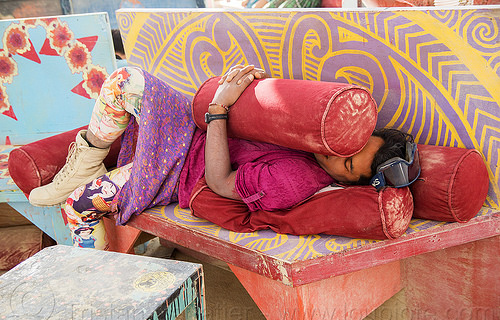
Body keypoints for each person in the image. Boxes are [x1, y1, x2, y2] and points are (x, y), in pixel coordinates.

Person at [29, 65, 416, 250]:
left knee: (79, 205)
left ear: (346, 183)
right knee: (124, 81)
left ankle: (102, 281)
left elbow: (219, 183)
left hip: (176, 169)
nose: (338, 150)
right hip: (189, 129)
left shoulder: (296, 180)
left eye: (347, 163)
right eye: (352, 143)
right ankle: (85, 162)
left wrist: (218, 108)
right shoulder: (320, 131)